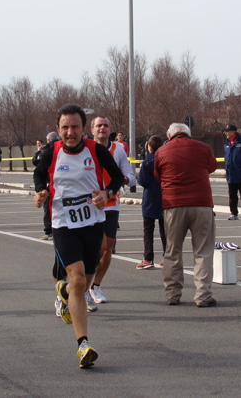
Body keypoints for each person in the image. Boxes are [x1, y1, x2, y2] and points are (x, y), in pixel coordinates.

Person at [33, 104, 123, 368]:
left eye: (74, 127)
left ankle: (63, 291)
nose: (69, 132)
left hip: (93, 222)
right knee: (77, 277)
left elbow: (117, 177)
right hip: (63, 224)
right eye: (64, 127)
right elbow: (39, 175)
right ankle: (83, 344)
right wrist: (40, 192)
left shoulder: (96, 151)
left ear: (84, 129)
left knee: (83, 280)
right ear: (58, 129)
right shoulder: (52, 152)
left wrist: (106, 194)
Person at [154, 123, 218, 307]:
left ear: (169, 134)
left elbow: (157, 175)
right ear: (188, 134)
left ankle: (172, 294)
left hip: (173, 205)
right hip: (201, 203)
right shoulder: (203, 148)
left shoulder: (162, 151)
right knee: (203, 251)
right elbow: (212, 167)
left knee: (173, 251)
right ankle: (203, 295)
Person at [89, 116, 135, 306]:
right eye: (99, 126)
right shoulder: (85, 149)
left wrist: (123, 180)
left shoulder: (118, 150)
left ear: (110, 130)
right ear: (92, 130)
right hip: (89, 205)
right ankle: (81, 287)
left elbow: (131, 177)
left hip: (111, 204)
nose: (102, 128)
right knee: (94, 250)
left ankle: (95, 286)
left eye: (106, 125)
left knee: (107, 250)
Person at [136, 135, 167, 270]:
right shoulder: (166, 161)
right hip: (165, 198)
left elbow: (142, 181)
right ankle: (168, 257)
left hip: (150, 198)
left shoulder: (147, 162)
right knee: (165, 230)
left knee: (148, 230)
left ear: (149, 147)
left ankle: (148, 258)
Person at [33, 132, 58, 240]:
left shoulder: (47, 150)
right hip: (51, 184)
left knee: (48, 208)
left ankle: (49, 230)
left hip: (50, 183)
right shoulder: (58, 148)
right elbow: (38, 172)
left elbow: (36, 162)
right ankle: (52, 230)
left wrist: (39, 151)